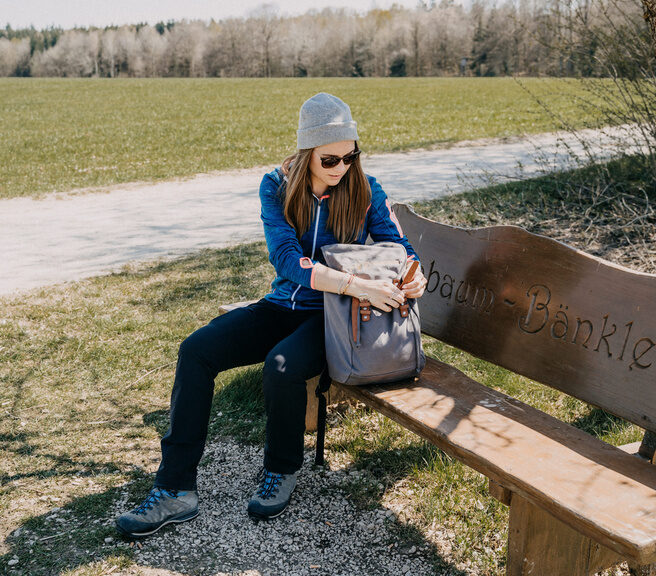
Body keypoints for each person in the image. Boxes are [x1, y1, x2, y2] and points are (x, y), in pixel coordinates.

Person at [115, 92, 427, 537]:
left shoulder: (366, 190)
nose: (342, 168)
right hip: (283, 304)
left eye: (350, 157)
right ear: (307, 154)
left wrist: (415, 277)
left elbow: (402, 249)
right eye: (330, 159)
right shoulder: (275, 187)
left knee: (281, 368)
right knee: (196, 350)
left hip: (333, 320)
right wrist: (356, 283)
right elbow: (285, 259)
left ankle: (281, 470)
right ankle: (175, 489)